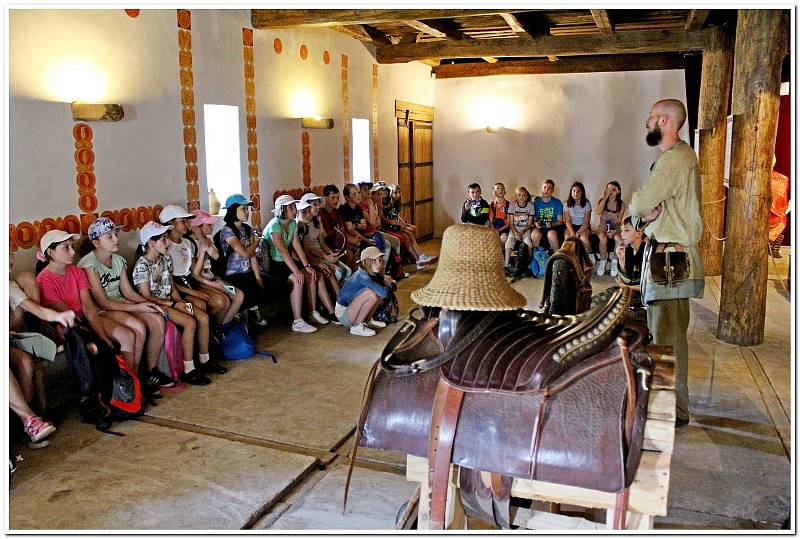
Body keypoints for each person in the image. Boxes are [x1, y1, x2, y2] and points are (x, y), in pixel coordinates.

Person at [629, 98, 704, 428]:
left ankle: (671, 412)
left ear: (664, 121)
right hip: (666, 258)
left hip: (671, 264)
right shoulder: (677, 159)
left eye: (650, 117)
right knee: (668, 335)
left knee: (667, 340)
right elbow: (651, 213)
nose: (646, 122)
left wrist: (638, 210)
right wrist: (646, 218)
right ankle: (672, 408)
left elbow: (642, 202)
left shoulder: (675, 160)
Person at [78, 217, 178, 389]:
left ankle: (150, 372)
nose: (116, 239)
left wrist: (148, 303)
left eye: (115, 234)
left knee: (157, 318)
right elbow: (102, 302)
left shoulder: (118, 260)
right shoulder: (88, 264)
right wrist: (137, 307)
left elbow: (128, 292)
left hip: (119, 303)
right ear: (96, 242)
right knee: (137, 328)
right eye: (109, 236)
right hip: (101, 310)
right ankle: (132, 380)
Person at [35, 230, 139, 372]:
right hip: (66, 324)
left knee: (128, 336)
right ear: (50, 252)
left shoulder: (77, 272)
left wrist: (104, 337)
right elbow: (67, 313)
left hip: (85, 318)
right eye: (66, 247)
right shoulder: (44, 279)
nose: (72, 252)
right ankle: (96, 390)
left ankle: (130, 384)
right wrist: (100, 339)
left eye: (72, 246)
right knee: (94, 348)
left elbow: (88, 308)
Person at [133, 221, 213, 386]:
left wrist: (180, 301)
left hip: (171, 301)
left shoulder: (165, 258)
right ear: (151, 243)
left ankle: (205, 360)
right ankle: (189, 370)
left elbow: (171, 286)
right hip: (157, 306)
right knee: (190, 322)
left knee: (203, 317)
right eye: (163, 239)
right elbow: (146, 296)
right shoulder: (142, 266)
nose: (167, 242)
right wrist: (174, 305)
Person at [9, 250, 75, 447]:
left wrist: (57, 316)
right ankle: (28, 419)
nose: (11, 264)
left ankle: (24, 424)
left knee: (25, 362)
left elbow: (33, 307)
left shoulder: (8, 286)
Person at [263, 195, 330, 332]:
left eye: (294, 206)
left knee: (311, 274)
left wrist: (307, 266)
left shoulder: (292, 223)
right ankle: (297, 321)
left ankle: (312, 312)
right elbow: (282, 251)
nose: (295, 209)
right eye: (291, 207)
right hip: (273, 264)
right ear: (282, 209)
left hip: (286, 262)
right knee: (297, 279)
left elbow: (296, 245)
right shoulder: (275, 225)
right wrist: (297, 271)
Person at [213, 193, 275, 326]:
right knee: (248, 292)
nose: (247, 212)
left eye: (247, 209)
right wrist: (256, 242)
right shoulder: (227, 231)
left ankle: (253, 308)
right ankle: (247, 312)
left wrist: (258, 279)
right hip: (232, 275)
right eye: (243, 209)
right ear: (233, 210)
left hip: (247, 272)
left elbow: (252, 256)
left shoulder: (247, 229)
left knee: (274, 286)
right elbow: (245, 254)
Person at [186, 209, 246, 321]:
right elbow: (195, 273)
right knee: (224, 301)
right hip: (202, 282)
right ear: (197, 227)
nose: (212, 226)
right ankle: (218, 327)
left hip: (213, 279)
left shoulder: (207, 239)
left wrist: (202, 239)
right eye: (208, 224)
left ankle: (224, 325)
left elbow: (216, 256)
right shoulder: (188, 244)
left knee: (238, 295)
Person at [297, 192, 351, 294]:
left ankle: (342, 295)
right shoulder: (304, 224)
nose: (317, 207)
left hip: (321, 254)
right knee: (338, 273)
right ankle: (337, 298)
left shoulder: (317, 221)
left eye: (318, 204)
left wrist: (330, 253)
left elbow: (321, 243)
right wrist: (324, 257)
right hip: (314, 257)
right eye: (314, 205)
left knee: (347, 271)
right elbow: (308, 250)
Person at [375, 183, 437, 270]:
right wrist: (398, 223)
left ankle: (419, 257)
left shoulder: (388, 203)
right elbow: (384, 220)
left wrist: (401, 223)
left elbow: (394, 216)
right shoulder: (378, 205)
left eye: (384, 193)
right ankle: (418, 258)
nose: (383, 195)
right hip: (387, 227)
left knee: (409, 233)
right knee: (406, 235)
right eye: (380, 194)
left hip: (392, 224)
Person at [335, 246, 393, 337]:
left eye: (380, 260)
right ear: (366, 262)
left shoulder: (369, 272)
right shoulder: (362, 275)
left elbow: (382, 290)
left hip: (352, 309)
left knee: (377, 290)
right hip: (343, 314)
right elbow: (385, 293)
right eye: (374, 261)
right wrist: (388, 284)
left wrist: (385, 280)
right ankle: (356, 326)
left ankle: (367, 320)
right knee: (372, 294)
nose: (379, 264)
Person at [319, 184, 356, 270]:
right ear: (326, 198)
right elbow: (324, 236)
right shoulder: (320, 213)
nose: (336, 200)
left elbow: (342, 230)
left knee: (356, 248)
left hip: (338, 242)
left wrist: (348, 239)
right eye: (333, 197)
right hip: (327, 244)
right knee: (349, 254)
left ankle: (353, 276)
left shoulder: (337, 213)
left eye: (337, 197)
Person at [595, 180, 627, 277]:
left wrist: (614, 231)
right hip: (603, 226)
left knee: (618, 238)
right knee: (603, 238)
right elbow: (598, 212)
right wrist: (605, 197)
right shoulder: (602, 201)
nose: (611, 192)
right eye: (608, 189)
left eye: (613, 190)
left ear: (618, 191)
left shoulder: (622, 204)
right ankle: (603, 260)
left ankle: (614, 260)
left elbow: (619, 222)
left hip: (615, 227)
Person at [615, 216, 647, 308]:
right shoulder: (628, 249)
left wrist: (626, 287)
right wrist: (621, 260)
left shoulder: (647, 251)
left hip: (644, 298)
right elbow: (626, 280)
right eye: (622, 230)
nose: (622, 234)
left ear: (639, 233)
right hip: (630, 291)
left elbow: (649, 287)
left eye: (626, 230)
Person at [339, 183, 378, 254]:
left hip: (359, 236)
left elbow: (364, 226)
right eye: (354, 194)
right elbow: (350, 229)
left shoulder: (358, 208)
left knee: (379, 241)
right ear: (347, 197)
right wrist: (366, 240)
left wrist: (355, 225)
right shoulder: (344, 208)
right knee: (369, 249)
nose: (358, 196)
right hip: (350, 238)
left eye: (358, 192)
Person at [504, 186, 535, 268]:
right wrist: (515, 232)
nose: (521, 197)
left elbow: (529, 224)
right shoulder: (512, 206)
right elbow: (511, 223)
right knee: (509, 242)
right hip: (514, 228)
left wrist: (522, 232)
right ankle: (506, 264)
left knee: (528, 242)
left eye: (524, 195)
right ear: (516, 196)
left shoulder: (530, 206)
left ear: (527, 196)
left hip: (525, 229)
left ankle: (530, 265)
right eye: (519, 195)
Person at [531, 179, 565, 252]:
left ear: (552, 190)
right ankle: (537, 257)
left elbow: (560, 221)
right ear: (541, 189)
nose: (546, 190)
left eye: (549, 188)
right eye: (545, 187)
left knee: (551, 234)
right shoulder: (536, 203)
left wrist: (551, 224)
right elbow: (534, 220)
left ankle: (557, 256)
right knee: (534, 234)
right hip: (540, 227)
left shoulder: (557, 202)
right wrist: (536, 223)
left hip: (553, 227)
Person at [564, 181, 593, 258]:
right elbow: (568, 221)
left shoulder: (587, 203)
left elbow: (586, 222)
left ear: (582, 192)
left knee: (583, 238)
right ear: (571, 192)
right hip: (572, 226)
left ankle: (590, 255)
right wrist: (573, 233)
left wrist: (578, 233)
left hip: (583, 226)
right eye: (574, 191)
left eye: (578, 191)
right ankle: (570, 259)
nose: (576, 193)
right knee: (568, 238)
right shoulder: (566, 204)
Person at [769, 155, 789, 258]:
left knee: (782, 220)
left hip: (778, 208)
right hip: (762, 208)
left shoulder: (783, 179)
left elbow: (782, 196)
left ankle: (775, 248)